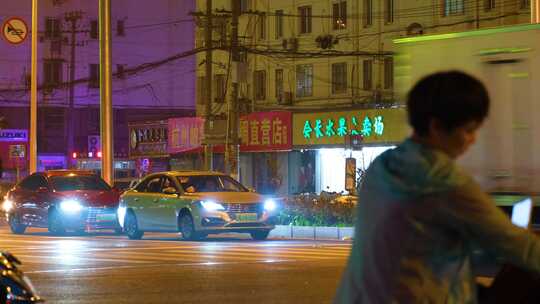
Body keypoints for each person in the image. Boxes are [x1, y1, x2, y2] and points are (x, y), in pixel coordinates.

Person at [334, 71, 540, 303]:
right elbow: (516, 245)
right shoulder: (442, 180)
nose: (473, 139)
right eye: (469, 130)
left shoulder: (383, 165)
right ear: (436, 127)